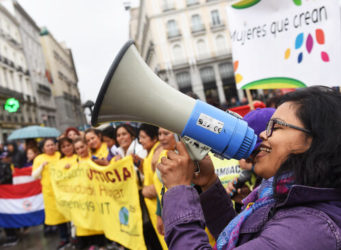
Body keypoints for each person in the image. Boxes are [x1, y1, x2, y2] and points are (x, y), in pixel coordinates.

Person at [157, 86, 341, 249]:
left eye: (275, 127)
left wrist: (178, 190)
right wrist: (209, 183)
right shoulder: (281, 198)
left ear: (313, 139)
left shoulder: (308, 229)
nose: (262, 134)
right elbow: (242, 240)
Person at [31, 138, 70, 249]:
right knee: (58, 217)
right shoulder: (39, 158)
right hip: (50, 193)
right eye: (48, 146)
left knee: (69, 213)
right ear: (43, 148)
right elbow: (34, 176)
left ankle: (74, 236)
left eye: (52, 145)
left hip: (64, 190)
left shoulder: (60, 155)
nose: (51, 147)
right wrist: (41, 166)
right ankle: (64, 238)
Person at [73, 137, 107, 250]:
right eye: (77, 148)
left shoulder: (94, 159)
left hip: (96, 197)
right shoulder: (74, 162)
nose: (80, 150)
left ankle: (101, 245)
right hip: (82, 199)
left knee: (98, 222)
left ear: (87, 146)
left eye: (82, 147)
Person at [138, 124, 166, 249]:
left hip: (161, 210)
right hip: (156, 210)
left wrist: (145, 191)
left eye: (143, 137)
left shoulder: (158, 153)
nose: (140, 141)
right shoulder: (151, 153)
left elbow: (161, 184)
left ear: (153, 138)